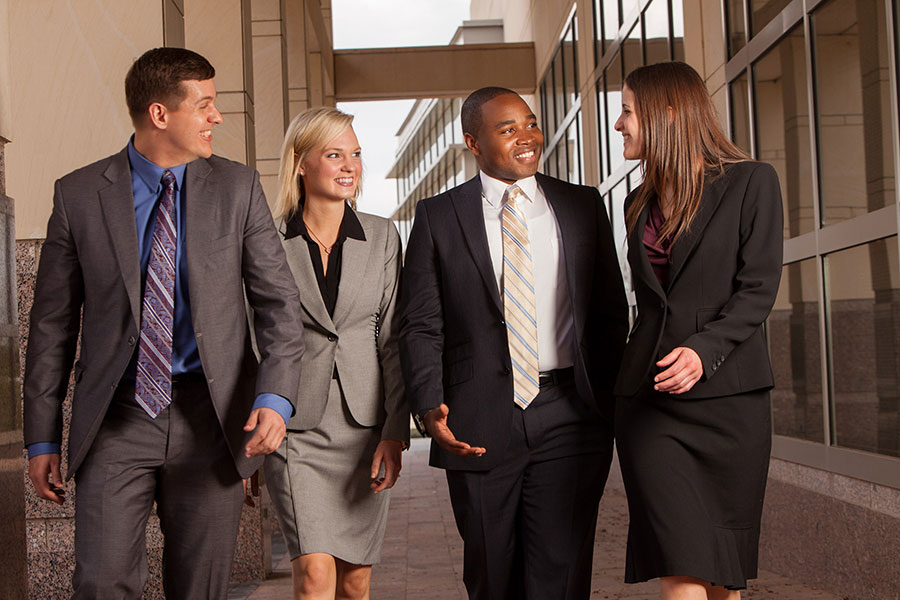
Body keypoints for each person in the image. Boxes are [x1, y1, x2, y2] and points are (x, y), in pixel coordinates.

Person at [23, 47, 305, 599]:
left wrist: (275, 398)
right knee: (102, 583)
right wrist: (40, 438)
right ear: (159, 114)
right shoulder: (79, 195)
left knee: (200, 587)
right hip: (116, 417)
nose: (216, 118)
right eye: (204, 106)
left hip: (213, 417)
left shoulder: (238, 188)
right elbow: (51, 325)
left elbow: (278, 305)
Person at [399, 87, 629, 599]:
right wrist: (427, 401)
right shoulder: (439, 215)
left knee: (560, 571)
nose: (527, 137)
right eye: (508, 129)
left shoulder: (580, 204)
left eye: (530, 123)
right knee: (491, 571)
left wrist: (609, 401)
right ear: (472, 142)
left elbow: (611, 313)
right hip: (476, 417)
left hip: (570, 412)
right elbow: (419, 322)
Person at [612, 61, 783, 599]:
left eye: (627, 111)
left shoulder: (752, 182)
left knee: (722, 579)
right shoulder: (636, 203)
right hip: (652, 406)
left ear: (666, 114)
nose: (619, 124)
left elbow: (757, 289)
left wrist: (702, 351)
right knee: (679, 563)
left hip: (730, 404)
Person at [264, 106, 408, 600]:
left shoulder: (383, 236)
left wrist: (394, 433)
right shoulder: (266, 240)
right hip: (292, 428)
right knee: (314, 578)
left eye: (356, 155)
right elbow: (249, 338)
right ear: (301, 163)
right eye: (334, 154)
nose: (350, 166)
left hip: (364, 430)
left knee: (355, 582)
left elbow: (392, 340)